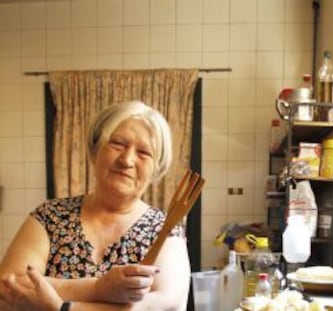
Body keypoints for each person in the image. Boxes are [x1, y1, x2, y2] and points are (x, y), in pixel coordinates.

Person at [0, 101, 191, 311]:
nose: (127, 160)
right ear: (95, 150)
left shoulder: (165, 229)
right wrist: (98, 288)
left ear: (156, 169)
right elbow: (9, 285)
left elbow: (162, 306)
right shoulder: (49, 216)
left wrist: (58, 307)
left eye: (144, 153)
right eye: (117, 143)